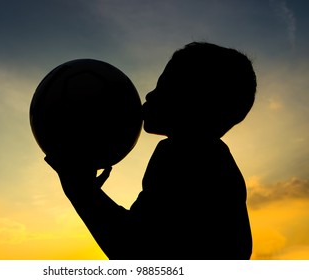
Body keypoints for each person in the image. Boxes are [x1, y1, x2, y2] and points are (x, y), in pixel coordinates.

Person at [45, 42, 256, 260]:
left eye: (164, 87)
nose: (149, 95)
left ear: (194, 100)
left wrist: (81, 191)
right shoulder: (214, 162)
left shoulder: (184, 155)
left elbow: (134, 249)